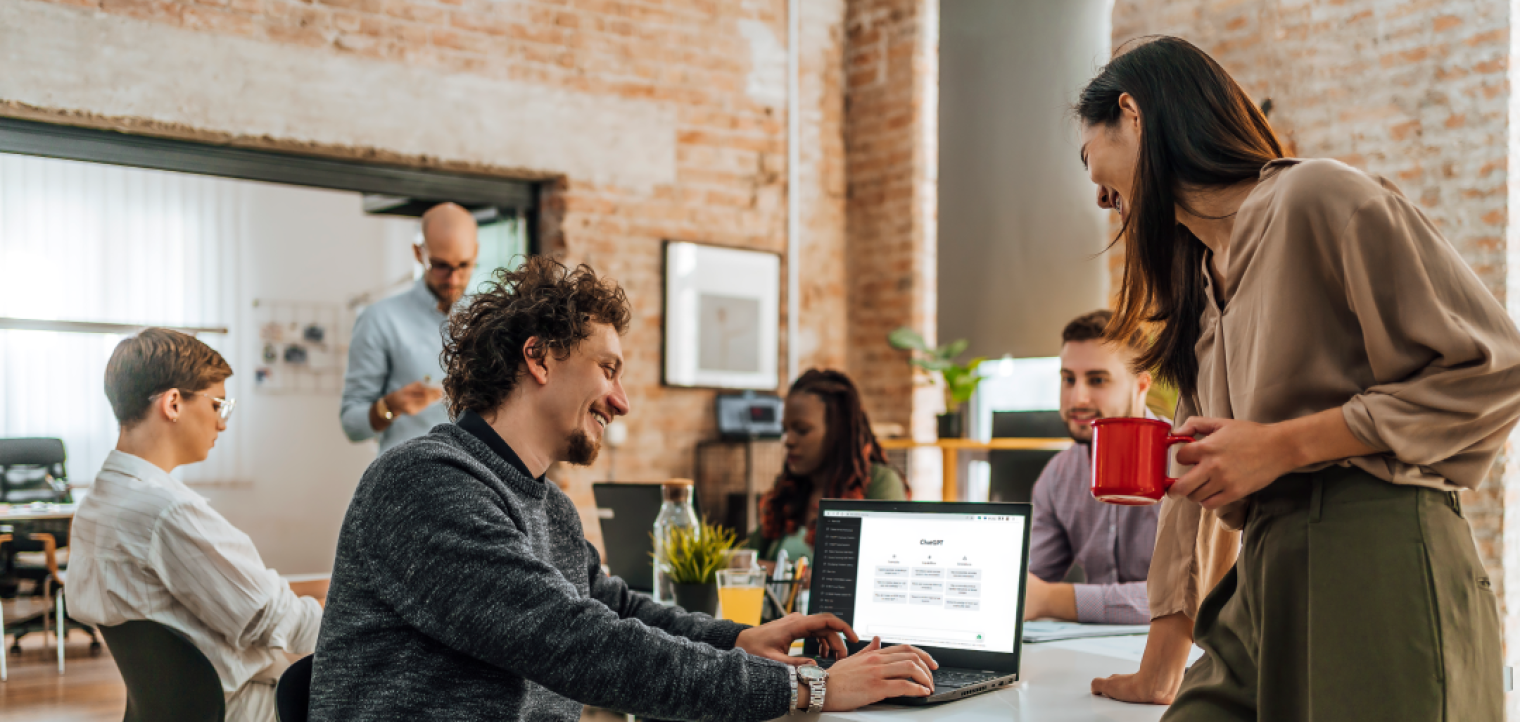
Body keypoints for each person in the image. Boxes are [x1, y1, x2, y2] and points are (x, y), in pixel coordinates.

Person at [1076, 37, 1519, 720]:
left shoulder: (1316, 197)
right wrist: (1161, 667)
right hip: (1265, 571)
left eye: (1088, 157)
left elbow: (1495, 370)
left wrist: (1280, 446)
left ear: (1131, 114)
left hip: (1380, 554)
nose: (1098, 194)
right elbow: (1190, 488)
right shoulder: (1198, 288)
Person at [311, 257, 938, 721]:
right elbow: (579, 643)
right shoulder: (424, 483)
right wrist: (810, 688)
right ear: (538, 358)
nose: (622, 400)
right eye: (607, 369)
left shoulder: (546, 505)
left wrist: (736, 639)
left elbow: (614, 608)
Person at [69, 329, 323, 722]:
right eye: (218, 404)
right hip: (247, 708)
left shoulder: (99, 501)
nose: (222, 423)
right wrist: (365, 622)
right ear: (173, 403)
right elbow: (274, 620)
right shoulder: (166, 512)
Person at [1023, 309, 1157, 625]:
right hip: (1089, 645)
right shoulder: (1058, 475)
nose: (1077, 398)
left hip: (1180, 649)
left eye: (1097, 380)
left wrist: (1052, 600)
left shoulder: (1185, 461)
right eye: (1068, 379)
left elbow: (1193, 595)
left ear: (1141, 385)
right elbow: (1029, 584)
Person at [339, 202, 478, 453]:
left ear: (476, 253)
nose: (453, 279)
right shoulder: (379, 319)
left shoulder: (488, 320)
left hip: (476, 472)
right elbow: (352, 425)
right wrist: (390, 406)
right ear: (418, 253)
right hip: (408, 472)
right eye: (441, 265)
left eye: (464, 265)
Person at [748, 369, 909, 564]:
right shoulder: (789, 491)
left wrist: (782, 573)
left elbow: (885, 565)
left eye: (802, 430)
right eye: (785, 430)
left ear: (837, 432)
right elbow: (745, 559)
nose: (788, 441)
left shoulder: (878, 483)